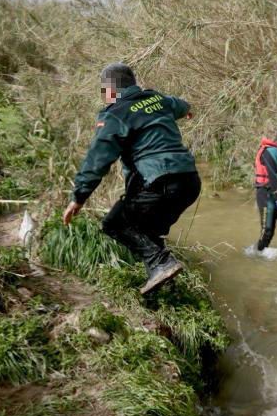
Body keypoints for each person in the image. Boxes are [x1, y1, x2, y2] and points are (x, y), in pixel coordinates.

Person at [63, 63, 201, 295]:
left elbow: (98, 159)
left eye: (103, 91)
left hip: (160, 182)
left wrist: (78, 197)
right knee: (148, 231)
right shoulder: (157, 99)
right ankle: (167, 289)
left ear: (109, 90)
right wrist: (186, 110)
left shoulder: (115, 114)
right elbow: (181, 104)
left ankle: (163, 264)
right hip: (189, 182)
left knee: (115, 223)